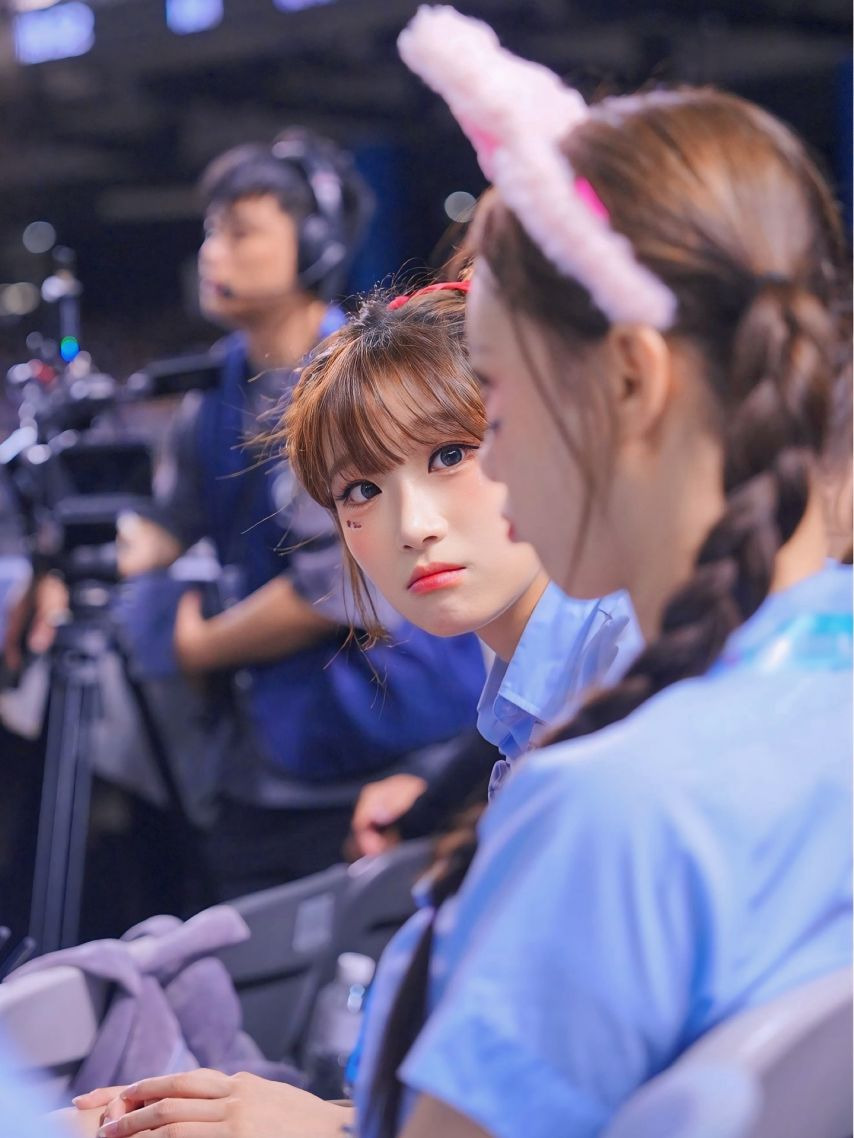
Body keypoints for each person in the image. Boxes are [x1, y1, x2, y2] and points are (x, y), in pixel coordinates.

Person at [72, 7, 852, 1137]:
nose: (443, 500)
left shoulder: (608, 806)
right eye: (357, 489)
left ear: (630, 380)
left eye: (488, 404)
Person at [114, 127, 486, 898]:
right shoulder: (214, 391)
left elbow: (335, 584)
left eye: (241, 232)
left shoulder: (348, 378)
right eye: (211, 232)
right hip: (276, 746)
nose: (212, 253)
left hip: (389, 734)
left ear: (314, 247)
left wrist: (198, 646)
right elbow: (169, 525)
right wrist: (77, 567)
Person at [283, 279, 639, 854]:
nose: (412, 526)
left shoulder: (630, 661)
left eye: (449, 456)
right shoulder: (531, 697)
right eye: (362, 490)